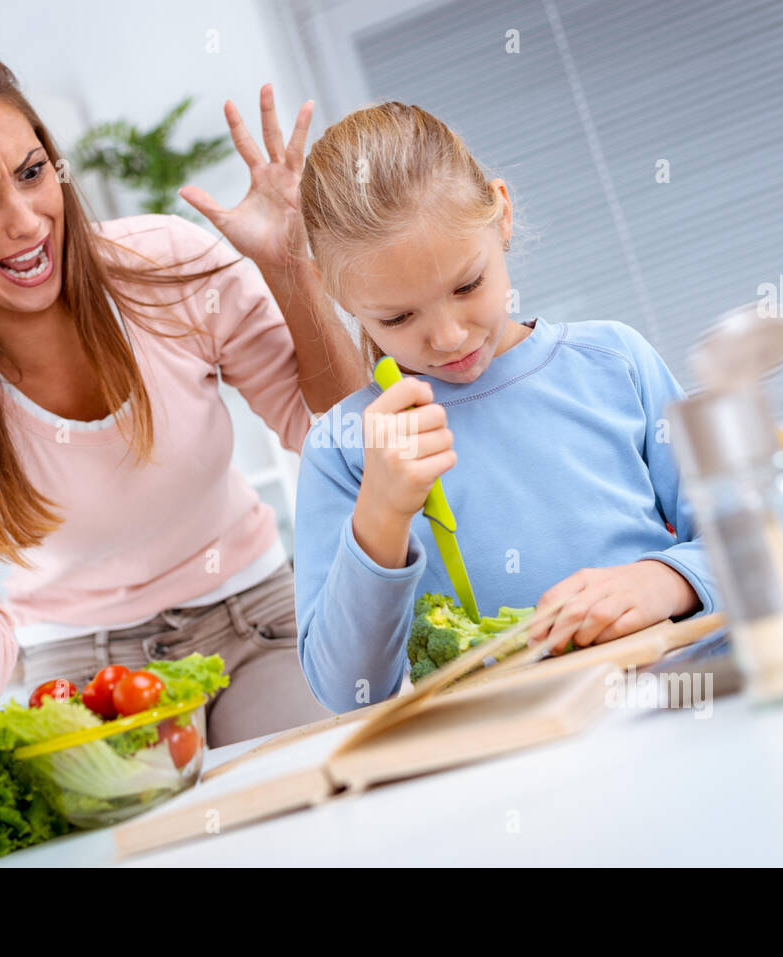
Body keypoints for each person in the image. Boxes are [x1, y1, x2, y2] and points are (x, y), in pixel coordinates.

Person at [0, 35, 366, 745]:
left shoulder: (163, 268)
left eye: (32, 173)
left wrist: (292, 272)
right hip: (82, 674)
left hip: (258, 617)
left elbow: (348, 444)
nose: (28, 221)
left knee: (312, 775)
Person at [292, 102, 720, 713]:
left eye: (467, 286)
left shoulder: (615, 362)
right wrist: (382, 515)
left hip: (679, 699)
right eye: (397, 316)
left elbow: (752, 533)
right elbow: (348, 693)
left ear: (503, 216)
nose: (447, 337)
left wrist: (665, 580)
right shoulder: (344, 450)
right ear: (335, 292)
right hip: (502, 753)